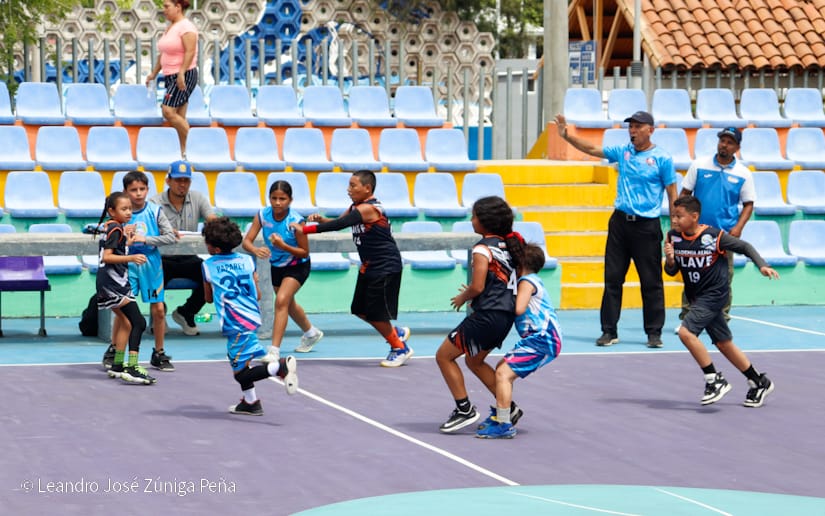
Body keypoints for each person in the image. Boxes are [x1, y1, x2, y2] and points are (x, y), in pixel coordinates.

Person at [555, 110, 677, 348]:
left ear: (649, 130)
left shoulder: (662, 158)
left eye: (637, 127)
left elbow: (672, 193)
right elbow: (592, 150)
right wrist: (566, 135)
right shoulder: (623, 152)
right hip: (620, 223)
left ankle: (654, 332)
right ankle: (608, 330)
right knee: (612, 279)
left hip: (647, 225)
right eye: (630, 127)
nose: (632, 131)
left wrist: (674, 228)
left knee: (651, 281)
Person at [664, 195, 778, 407]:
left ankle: (714, 380)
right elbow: (672, 271)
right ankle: (758, 381)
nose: (675, 220)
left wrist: (761, 265)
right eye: (673, 216)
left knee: (685, 332)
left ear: (694, 217)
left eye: (679, 216)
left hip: (715, 295)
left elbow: (744, 247)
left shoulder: (714, 236)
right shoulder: (673, 237)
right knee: (723, 343)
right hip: (697, 297)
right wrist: (670, 260)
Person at [293, 170, 412, 367]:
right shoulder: (355, 207)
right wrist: (322, 221)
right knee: (358, 309)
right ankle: (396, 333)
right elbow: (338, 222)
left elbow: (339, 225)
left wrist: (304, 229)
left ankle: (399, 348)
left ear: (367, 188)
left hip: (385, 265)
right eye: (349, 185)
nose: (349, 190)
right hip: (369, 266)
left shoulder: (369, 208)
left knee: (376, 313)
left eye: (353, 185)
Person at [435, 196, 525, 434]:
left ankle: (464, 409)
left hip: (487, 315)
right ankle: (509, 408)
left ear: (484, 222)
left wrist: (463, 297)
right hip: (505, 318)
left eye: (474, 216)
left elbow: (477, 287)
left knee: (444, 356)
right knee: (473, 361)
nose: (471, 220)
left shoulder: (482, 248)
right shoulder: (511, 245)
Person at [202, 216, 298, 416]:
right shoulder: (247, 260)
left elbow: (209, 298)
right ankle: (251, 402)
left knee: (240, 373)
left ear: (216, 249)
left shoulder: (208, 265)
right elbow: (259, 294)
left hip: (233, 322)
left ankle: (277, 368)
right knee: (245, 362)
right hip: (252, 317)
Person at [476, 244, 563, 439]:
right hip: (538, 338)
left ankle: (504, 423)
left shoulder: (526, 282)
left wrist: (497, 301)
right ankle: (503, 414)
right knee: (502, 368)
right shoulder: (531, 280)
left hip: (542, 339)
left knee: (502, 374)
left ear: (520, 263)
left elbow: (519, 308)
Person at [675, 127, 755, 333]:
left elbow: (748, 204)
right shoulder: (699, 165)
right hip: (696, 233)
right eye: (722, 141)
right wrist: (680, 221)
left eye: (729, 142)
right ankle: (687, 317)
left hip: (723, 235)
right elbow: (685, 193)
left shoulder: (743, 174)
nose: (724, 145)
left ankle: (722, 318)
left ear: (737, 147)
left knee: (723, 278)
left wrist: (738, 227)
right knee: (692, 274)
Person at [242, 180, 324, 358]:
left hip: (297, 266)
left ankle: (274, 350)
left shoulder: (296, 222)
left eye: (282, 199)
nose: (278, 202)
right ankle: (311, 333)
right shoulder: (263, 215)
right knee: (288, 304)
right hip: (276, 266)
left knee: (281, 301)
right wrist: (256, 249)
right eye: (274, 198)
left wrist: (282, 245)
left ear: (290, 200)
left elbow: (304, 252)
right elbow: (246, 241)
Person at [151, 159, 216, 336]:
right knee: (152, 275)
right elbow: (149, 226)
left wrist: (214, 223)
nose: (182, 184)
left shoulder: (198, 198)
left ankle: (186, 312)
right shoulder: (155, 202)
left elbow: (211, 218)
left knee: (209, 275)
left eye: (186, 180)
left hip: (189, 257)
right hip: (163, 257)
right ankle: (158, 313)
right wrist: (165, 230)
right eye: (178, 180)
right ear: (168, 181)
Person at [95, 192, 154, 385]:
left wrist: (128, 240)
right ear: (112, 211)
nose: (129, 212)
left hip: (109, 283)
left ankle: (118, 365)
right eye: (124, 209)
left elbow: (116, 249)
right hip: (115, 284)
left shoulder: (113, 227)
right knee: (139, 323)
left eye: (130, 208)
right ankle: (132, 366)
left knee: (126, 322)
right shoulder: (115, 229)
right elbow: (108, 256)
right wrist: (131, 257)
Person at [123, 171, 179, 371]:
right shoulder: (123, 213)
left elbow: (170, 237)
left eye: (142, 189)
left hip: (151, 265)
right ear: (125, 192)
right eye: (133, 190)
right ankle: (115, 350)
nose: (138, 194)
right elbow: (111, 234)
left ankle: (159, 352)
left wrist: (146, 239)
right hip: (128, 264)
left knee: (159, 309)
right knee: (124, 310)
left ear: (147, 190)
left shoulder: (155, 211)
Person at [146, 0, 199, 156]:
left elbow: (190, 52)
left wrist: (182, 72)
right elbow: (164, 54)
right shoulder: (171, 28)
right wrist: (154, 73)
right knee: (179, 116)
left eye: (167, 6)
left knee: (168, 111)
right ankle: (184, 152)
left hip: (183, 75)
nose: (164, 10)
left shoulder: (187, 27)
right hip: (170, 76)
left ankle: (197, 144)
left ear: (178, 7)